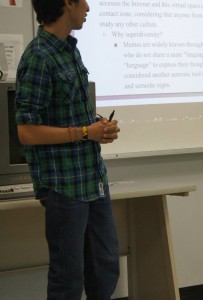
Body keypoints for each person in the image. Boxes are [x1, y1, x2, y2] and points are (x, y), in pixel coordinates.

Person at [15, 1, 120, 299]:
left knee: (105, 268)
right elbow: (26, 131)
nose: (88, 7)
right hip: (64, 188)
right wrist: (87, 132)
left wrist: (99, 127)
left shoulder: (70, 49)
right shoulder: (38, 57)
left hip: (93, 180)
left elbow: (69, 114)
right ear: (66, 3)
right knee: (68, 280)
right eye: (83, 0)